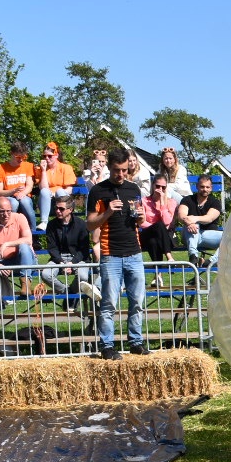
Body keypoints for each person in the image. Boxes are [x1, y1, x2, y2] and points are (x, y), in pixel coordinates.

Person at [85, 147, 148, 360]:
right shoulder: (97, 191)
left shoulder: (133, 189)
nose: (120, 174)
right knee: (109, 303)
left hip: (134, 253)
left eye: (123, 170)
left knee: (137, 301)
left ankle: (136, 341)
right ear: (109, 168)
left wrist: (141, 216)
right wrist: (108, 211)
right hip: (110, 253)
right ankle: (107, 345)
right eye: (115, 170)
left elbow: (140, 222)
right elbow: (90, 224)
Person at [0, 196, 57, 295]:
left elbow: (28, 240)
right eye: (2, 211)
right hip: (2, 262)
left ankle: (25, 283)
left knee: (24, 246)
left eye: (8, 211)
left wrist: (6, 244)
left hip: (25, 260)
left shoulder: (20, 217)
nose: (6, 214)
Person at [44, 193, 99, 315]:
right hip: (58, 258)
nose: (58, 211)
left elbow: (83, 249)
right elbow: (52, 248)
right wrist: (62, 263)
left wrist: (72, 263)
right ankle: (69, 294)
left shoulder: (81, 224)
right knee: (45, 274)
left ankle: (72, 296)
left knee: (83, 277)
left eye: (61, 209)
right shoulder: (51, 225)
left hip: (78, 258)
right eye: (56, 208)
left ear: (70, 210)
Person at [177, 174, 223, 263]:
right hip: (189, 235)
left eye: (207, 187)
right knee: (194, 225)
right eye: (202, 187)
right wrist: (190, 223)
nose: (205, 189)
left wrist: (193, 218)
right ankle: (193, 256)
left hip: (208, 235)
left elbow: (209, 218)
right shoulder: (187, 200)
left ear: (211, 188)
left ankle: (209, 262)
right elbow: (181, 216)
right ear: (197, 186)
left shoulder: (215, 202)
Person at [0, 141, 39, 228]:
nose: (21, 160)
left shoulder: (28, 166)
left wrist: (23, 193)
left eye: (24, 157)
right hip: (9, 197)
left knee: (25, 201)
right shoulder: (1, 168)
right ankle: (10, 229)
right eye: (18, 157)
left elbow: (29, 185)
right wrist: (13, 191)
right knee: (13, 203)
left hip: (24, 196)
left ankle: (33, 232)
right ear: (11, 153)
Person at [138, 176, 180, 262]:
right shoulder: (144, 201)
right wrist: (155, 227)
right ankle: (169, 256)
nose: (160, 189)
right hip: (147, 233)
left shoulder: (171, 202)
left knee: (153, 242)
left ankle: (158, 273)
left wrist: (162, 204)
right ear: (153, 186)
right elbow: (142, 223)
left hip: (165, 237)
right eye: (157, 186)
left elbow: (167, 222)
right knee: (158, 225)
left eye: (163, 187)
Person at [36, 141, 77, 226]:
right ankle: (44, 222)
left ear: (56, 155)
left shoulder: (66, 168)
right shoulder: (40, 169)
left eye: (50, 156)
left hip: (62, 202)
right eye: (44, 156)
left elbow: (69, 190)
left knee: (60, 191)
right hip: (47, 204)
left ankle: (66, 220)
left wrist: (55, 193)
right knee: (44, 191)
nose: (47, 158)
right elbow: (43, 189)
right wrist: (43, 171)